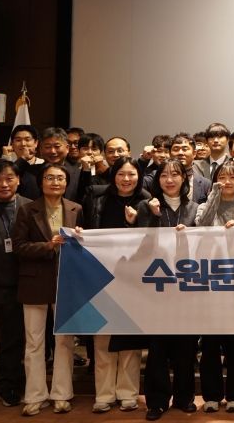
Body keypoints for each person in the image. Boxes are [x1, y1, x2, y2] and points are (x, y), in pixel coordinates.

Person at [12, 164, 83, 416]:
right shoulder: (26, 209)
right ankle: (35, 395)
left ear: (66, 183)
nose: (55, 182)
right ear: (41, 182)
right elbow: (19, 247)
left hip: (66, 283)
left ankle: (61, 394)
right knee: (34, 342)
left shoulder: (76, 209)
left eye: (60, 178)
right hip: (34, 282)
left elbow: (83, 248)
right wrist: (47, 246)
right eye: (49, 178)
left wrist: (80, 237)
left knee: (64, 341)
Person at [82, 157, 150, 413]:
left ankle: (128, 393)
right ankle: (104, 394)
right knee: (102, 338)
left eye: (131, 174)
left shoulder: (146, 199)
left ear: (139, 176)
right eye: (121, 174)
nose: (126, 179)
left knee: (130, 339)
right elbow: (87, 228)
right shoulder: (97, 197)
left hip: (133, 277)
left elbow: (151, 237)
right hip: (100, 275)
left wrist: (135, 222)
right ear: (113, 175)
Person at [136, 159, 199, 421]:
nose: (169, 180)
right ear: (157, 180)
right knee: (157, 348)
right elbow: (139, 245)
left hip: (187, 287)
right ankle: (157, 401)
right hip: (157, 287)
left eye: (175, 175)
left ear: (184, 178)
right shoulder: (146, 206)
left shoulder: (194, 208)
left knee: (186, 347)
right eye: (164, 175)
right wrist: (153, 216)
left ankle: (185, 398)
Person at [195, 161, 234, 414]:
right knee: (210, 346)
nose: (227, 182)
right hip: (210, 285)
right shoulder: (203, 206)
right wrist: (214, 195)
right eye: (222, 177)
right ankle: (211, 395)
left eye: (232, 178)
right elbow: (202, 224)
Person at [0, 160, 30, 407]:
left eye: (9, 178)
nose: (4, 184)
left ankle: (8, 387)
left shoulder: (29, 207)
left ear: (18, 180)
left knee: (13, 341)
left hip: (18, 285)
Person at [169, 133, 210, 204]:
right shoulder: (159, 178)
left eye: (185, 149)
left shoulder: (205, 184)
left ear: (194, 154)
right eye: (176, 149)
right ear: (170, 154)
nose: (180, 153)